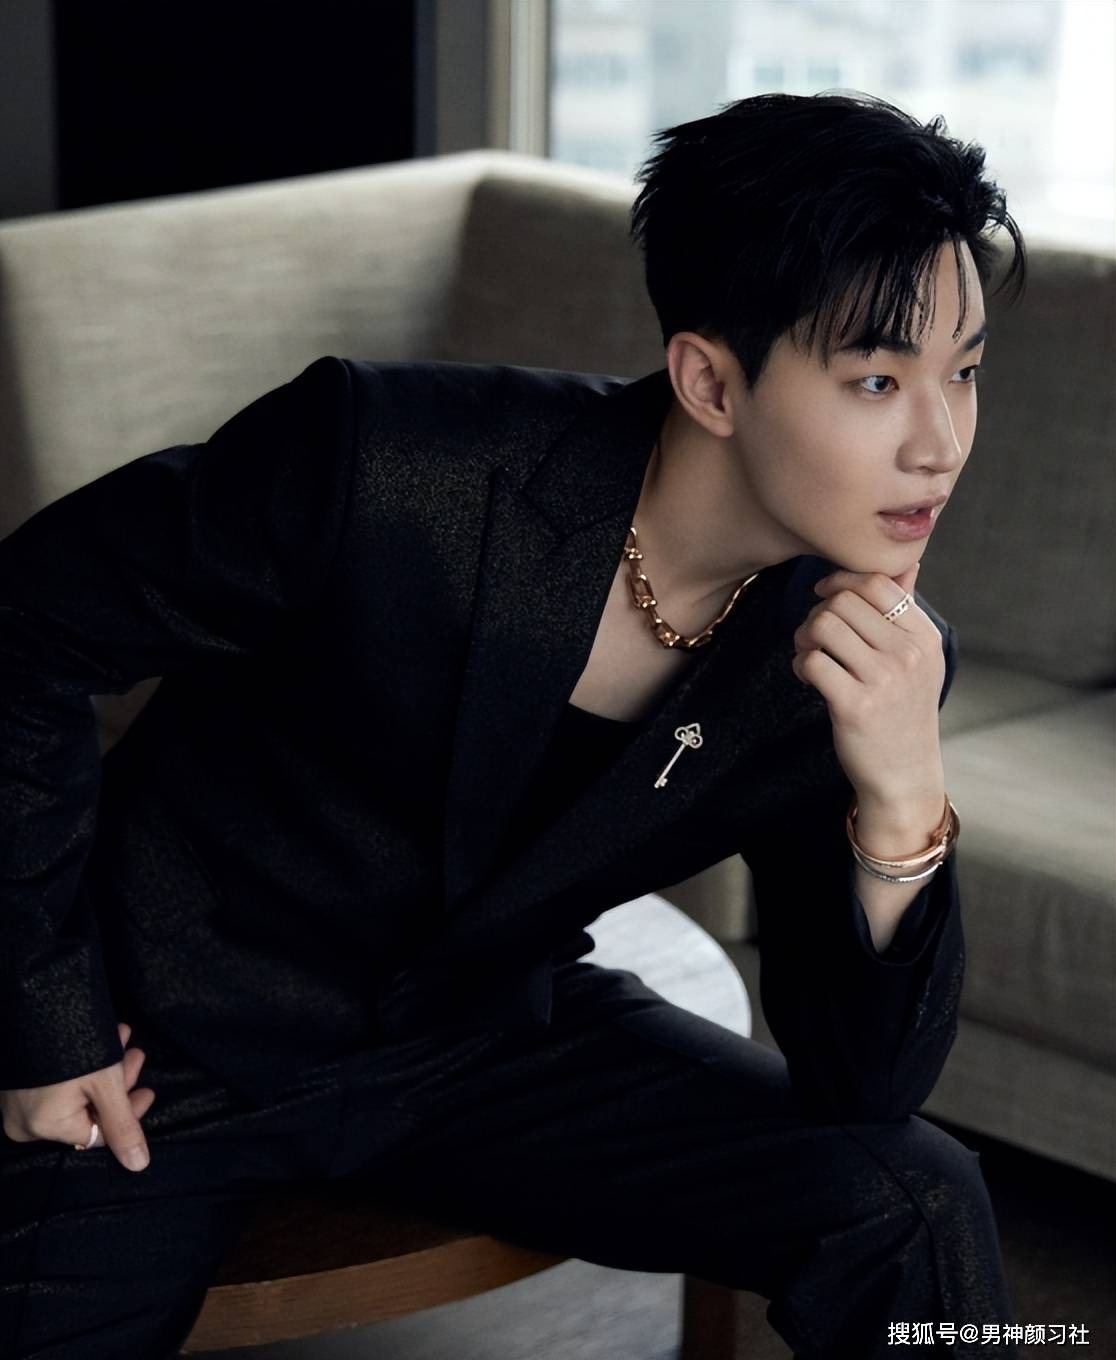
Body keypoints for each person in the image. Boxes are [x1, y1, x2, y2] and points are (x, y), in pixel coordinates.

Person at [0, 90, 1026, 1358]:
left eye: (964, 372)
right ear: (711, 380)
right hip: (162, 1042)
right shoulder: (384, 460)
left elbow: (864, 1086)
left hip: (479, 1045)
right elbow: (24, 633)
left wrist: (904, 802)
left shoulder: (859, 655)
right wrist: (40, 1015)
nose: (942, 443)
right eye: (878, 379)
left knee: (917, 1202)